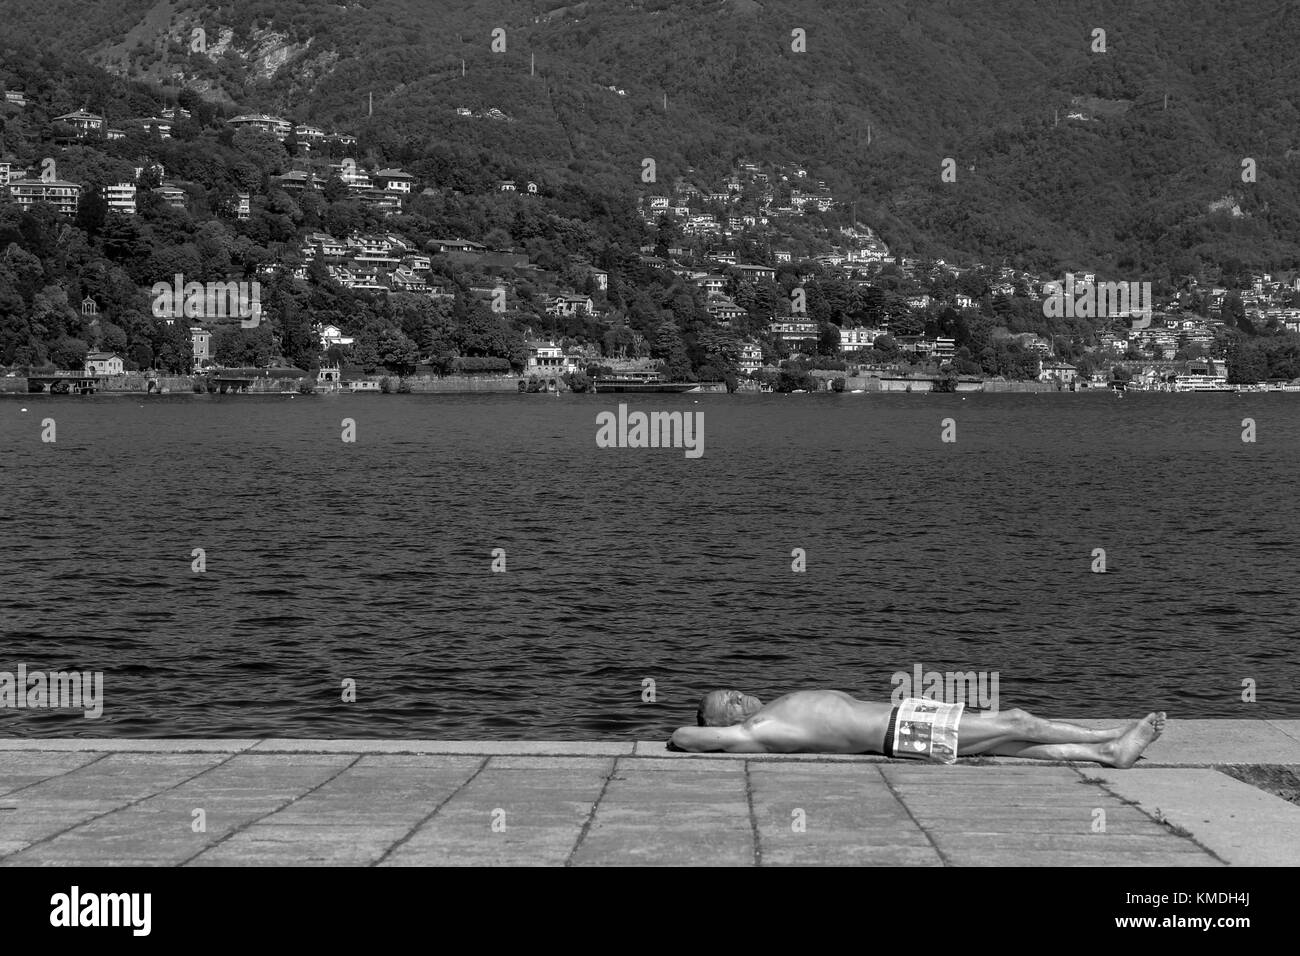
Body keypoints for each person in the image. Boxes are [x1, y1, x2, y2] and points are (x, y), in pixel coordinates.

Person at [670, 689, 1165, 768]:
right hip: (900, 730)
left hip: (904, 722)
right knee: (1015, 723)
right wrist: (694, 733)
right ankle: (1108, 737)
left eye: (730, 690)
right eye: (727, 703)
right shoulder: (752, 732)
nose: (738, 696)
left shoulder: (769, 712)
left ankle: (1107, 756)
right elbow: (683, 738)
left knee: (1013, 744)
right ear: (724, 723)